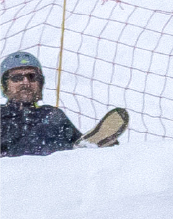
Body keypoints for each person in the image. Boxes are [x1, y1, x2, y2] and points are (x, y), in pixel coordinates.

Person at [1, 51, 129, 156]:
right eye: (17, 78)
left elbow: (77, 141)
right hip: (14, 178)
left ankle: (88, 148)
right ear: (5, 85)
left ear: (40, 83)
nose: (25, 82)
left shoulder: (53, 115)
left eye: (32, 77)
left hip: (58, 176)